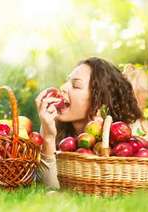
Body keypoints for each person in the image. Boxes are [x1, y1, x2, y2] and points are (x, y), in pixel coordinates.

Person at [35, 57, 148, 189]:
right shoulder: (55, 131)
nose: (63, 88)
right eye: (67, 81)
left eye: (75, 85)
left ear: (99, 100)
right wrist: (48, 137)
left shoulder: (123, 142)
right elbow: (50, 188)